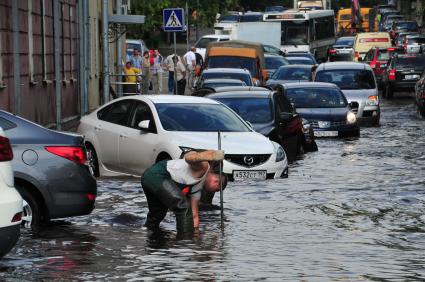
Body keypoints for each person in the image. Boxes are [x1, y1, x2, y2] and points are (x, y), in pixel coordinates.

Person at [141, 150, 227, 234]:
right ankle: (184, 243)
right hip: (157, 174)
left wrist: (196, 234)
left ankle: (144, 235)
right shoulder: (204, 166)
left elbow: (194, 215)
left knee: (157, 216)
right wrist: (213, 155)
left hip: (151, 179)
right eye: (216, 190)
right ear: (216, 182)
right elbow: (189, 157)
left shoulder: (197, 189)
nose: (213, 192)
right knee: (183, 206)